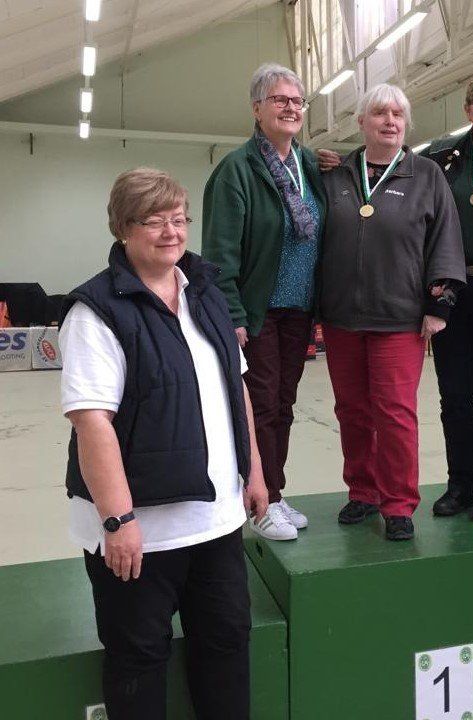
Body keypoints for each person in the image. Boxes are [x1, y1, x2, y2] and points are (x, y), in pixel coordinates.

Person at [60, 168, 269, 720]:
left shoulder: (203, 290)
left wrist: (254, 473)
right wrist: (117, 521)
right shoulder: (96, 312)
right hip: (139, 534)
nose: (172, 232)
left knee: (226, 643)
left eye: (179, 219)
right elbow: (92, 423)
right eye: (155, 221)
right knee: (139, 658)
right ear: (123, 228)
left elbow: (235, 386)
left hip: (215, 522)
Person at [319, 66, 473, 521]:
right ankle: (459, 485)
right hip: (451, 293)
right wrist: (331, 163)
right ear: (469, 109)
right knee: (453, 396)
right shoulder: (441, 159)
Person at [319, 83, 465, 541]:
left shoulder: (426, 175)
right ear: (361, 122)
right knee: (352, 411)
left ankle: (398, 503)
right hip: (342, 319)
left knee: (395, 413)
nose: (390, 121)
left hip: (399, 320)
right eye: (380, 113)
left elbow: (445, 239)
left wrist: (438, 305)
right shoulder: (336, 174)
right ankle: (362, 491)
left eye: (398, 115)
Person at [202, 63, 327, 541]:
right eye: (280, 99)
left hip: (299, 309)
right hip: (257, 312)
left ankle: (274, 491)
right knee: (261, 405)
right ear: (257, 109)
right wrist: (231, 313)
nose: (291, 108)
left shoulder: (310, 165)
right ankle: (260, 500)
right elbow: (219, 254)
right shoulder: (236, 170)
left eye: (297, 101)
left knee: (285, 403)